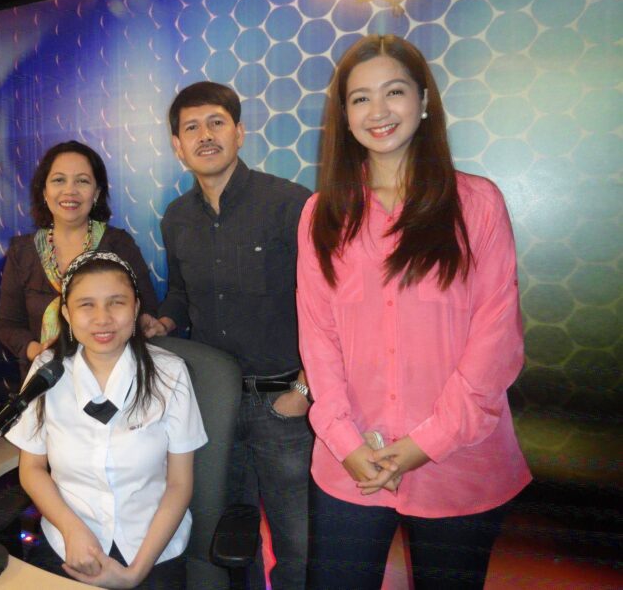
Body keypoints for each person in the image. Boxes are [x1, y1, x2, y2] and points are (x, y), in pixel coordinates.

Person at [296, 34, 531, 588]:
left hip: (457, 458)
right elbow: (319, 338)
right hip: (350, 460)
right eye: (360, 99)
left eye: (394, 92)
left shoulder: (477, 204)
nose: (379, 111)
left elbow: (497, 342)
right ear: (344, 117)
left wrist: (426, 444)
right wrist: (346, 442)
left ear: (424, 102)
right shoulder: (320, 215)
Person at [143, 81, 313, 589]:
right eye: (191, 128)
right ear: (177, 145)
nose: (205, 135)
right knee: (230, 535)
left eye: (216, 122)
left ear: (239, 132)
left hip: (283, 402)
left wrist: (304, 392)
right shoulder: (176, 218)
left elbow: (331, 313)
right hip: (212, 404)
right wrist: (163, 323)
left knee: (299, 541)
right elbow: (179, 296)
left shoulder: (291, 204)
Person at [6, 251, 207, 589]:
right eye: (86, 305)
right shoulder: (47, 372)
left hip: (152, 548)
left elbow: (179, 484)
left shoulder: (170, 374)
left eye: (117, 303)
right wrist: (73, 530)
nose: (103, 319)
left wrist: (136, 573)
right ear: (67, 313)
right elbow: (32, 468)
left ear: (136, 308)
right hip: (67, 543)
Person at [0, 140, 159, 363]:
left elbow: (147, 311)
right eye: (59, 180)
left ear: (97, 193)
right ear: (45, 192)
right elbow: (7, 325)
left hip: (114, 374)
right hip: (46, 377)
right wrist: (36, 351)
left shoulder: (119, 244)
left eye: (82, 181)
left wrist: (145, 322)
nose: (70, 191)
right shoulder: (21, 252)